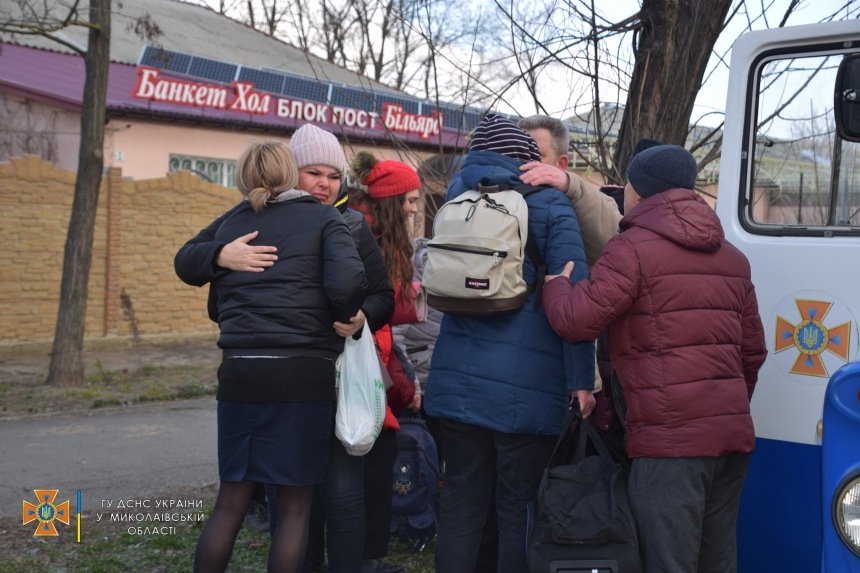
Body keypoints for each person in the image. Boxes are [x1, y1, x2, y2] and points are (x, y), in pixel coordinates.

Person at [174, 124, 395, 573]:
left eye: (334, 176)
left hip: (239, 371)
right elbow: (348, 284)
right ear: (290, 172)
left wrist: (219, 262)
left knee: (232, 500)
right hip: (303, 373)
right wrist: (340, 308)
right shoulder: (322, 219)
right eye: (313, 172)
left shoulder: (237, 220)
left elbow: (216, 303)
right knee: (295, 508)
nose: (324, 183)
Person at [542, 144, 768, 573]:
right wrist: (723, 408)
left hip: (669, 446)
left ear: (639, 192)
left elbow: (576, 321)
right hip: (730, 439)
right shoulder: (734, 259)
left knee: (667, 563)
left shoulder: (632, 250)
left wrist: (556, 285)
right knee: (717, 561)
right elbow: (752, 352)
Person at [423, 114, 595, 573]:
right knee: (517, 507)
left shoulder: (454, 200)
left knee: (460, 500)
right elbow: (574, 295)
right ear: (525, 158)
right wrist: (582, 380)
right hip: (527, 388)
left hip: (454, 384)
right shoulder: (550, 204)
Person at [349, 151, 423, 573]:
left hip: (375, 357)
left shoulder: (378, 237)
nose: (415, 208)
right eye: (410, 200)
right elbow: (380, 322)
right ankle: (364, 558)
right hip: (361, 363)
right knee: (375, 456)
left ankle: (361, 555)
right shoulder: (370, 243)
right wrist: (404, 387)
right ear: (392, 202)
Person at [516, 115, 621, 268]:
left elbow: (618, 244)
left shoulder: (592, 201)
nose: (524, 160)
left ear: (561, 164)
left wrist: (570, 185)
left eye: (535, 153)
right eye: (518, 152)